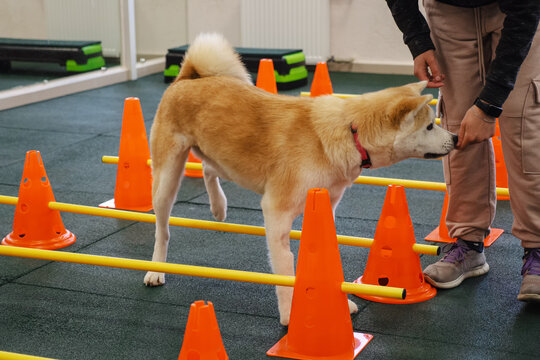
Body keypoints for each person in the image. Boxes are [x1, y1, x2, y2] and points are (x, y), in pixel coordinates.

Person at [385, 0, 540, 302]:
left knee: (524, 125)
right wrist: (418, 41)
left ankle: (537, 248)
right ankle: (468, 244)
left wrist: (489, 106)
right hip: (449, 11)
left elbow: (526, 9)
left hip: (518, 9)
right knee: (457, 125)